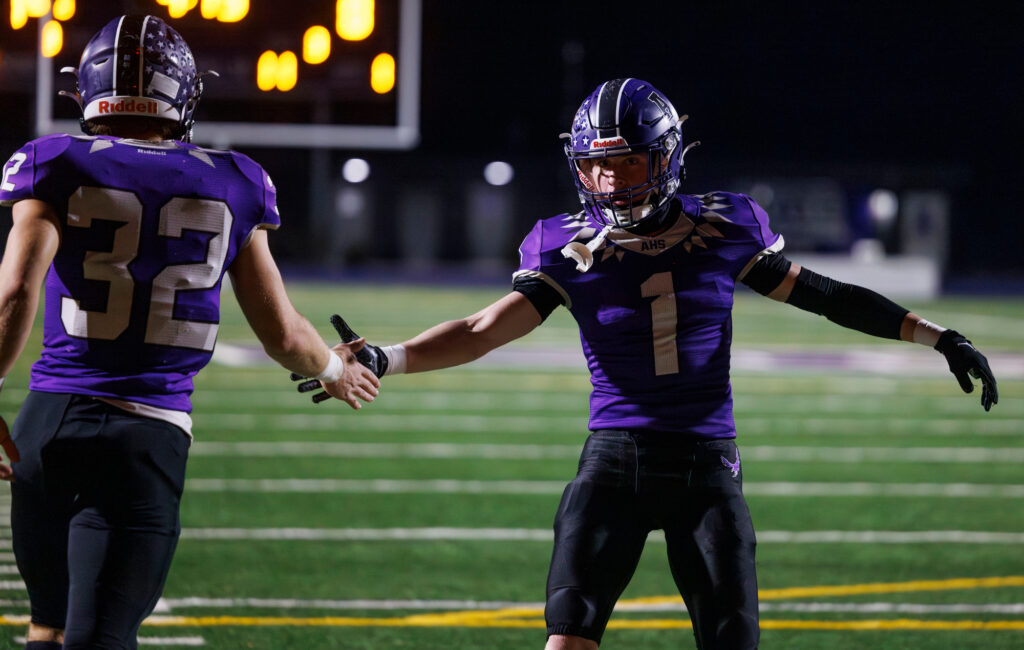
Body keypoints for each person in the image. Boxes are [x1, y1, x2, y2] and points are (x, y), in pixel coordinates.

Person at [317, 78, 998, 649]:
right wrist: (387, 355)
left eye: (630, 162)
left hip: (707, 465)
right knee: (567, 637)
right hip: (614, 460)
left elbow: (827, 297)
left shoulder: (728, 227)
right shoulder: (563, 246)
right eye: (596, 164)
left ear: (667, 158)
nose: (611, 180)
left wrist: (937, 336)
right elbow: (480, 330)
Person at [0, 14, 381, 649]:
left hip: (49, 424)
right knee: (100, 637)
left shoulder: (51, 161)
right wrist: (335, 369)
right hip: (143, 435)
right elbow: (283, 334)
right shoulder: (234, 178)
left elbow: (14, 291)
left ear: (86, 90)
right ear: (182, 92)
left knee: (49, 628)